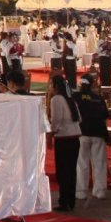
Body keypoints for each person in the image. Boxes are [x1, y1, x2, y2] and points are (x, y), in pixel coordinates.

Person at [47, 74, 81, 212]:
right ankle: (70, 200)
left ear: (55, 86)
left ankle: (64, 201)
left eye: (50, 84)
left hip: (64, 138)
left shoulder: (56, 99)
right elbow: (79, 118)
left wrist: (50, 134)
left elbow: (56, 120)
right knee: (71, 170)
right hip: (74, 137)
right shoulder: (70, 99)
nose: (49, 87)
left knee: (62, 171)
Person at [75, 77, 108, 202]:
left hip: (82, 132)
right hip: (98, 132)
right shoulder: (98, 98)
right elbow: (105, 115)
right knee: (99, 162)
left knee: (82, 163)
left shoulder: (76, 97)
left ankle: (81, 192)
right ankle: (100, 191)